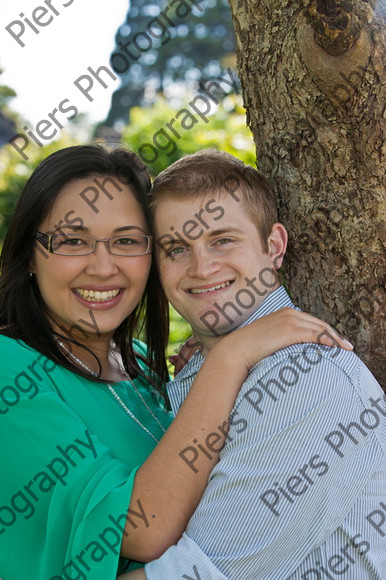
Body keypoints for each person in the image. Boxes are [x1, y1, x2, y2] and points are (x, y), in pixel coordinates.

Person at [0, 145, 347, 580]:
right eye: (73, 241)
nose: (104, 267)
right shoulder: (10, 371)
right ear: (30, 255)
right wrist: (231, 356)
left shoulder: (144, 367)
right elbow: (138, 530)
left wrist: (201, 375)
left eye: (126, 241)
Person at [123, 149, 386, 579]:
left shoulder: (308, 380)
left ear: (274, 246)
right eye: (176, 248)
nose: (202, 267)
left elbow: (198, 573)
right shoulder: (192, 371)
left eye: (223, 239)